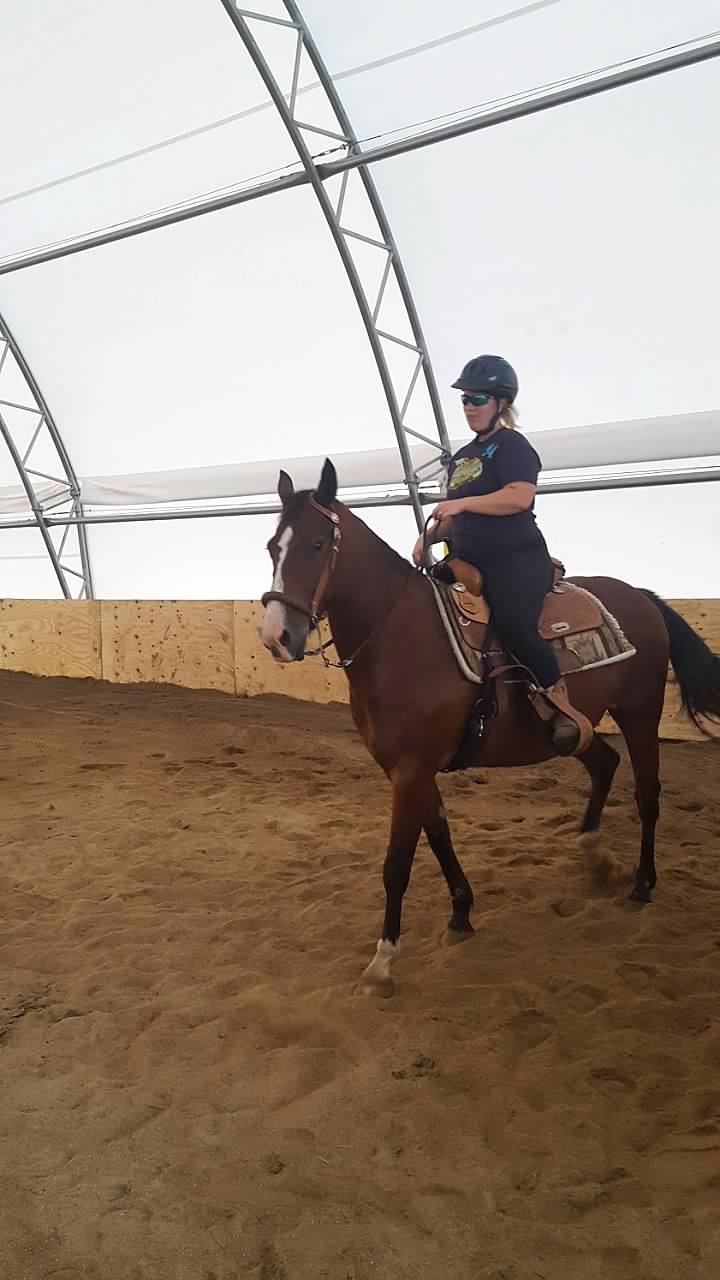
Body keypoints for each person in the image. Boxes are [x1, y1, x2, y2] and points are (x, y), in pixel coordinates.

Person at [412, 354, 593, 756]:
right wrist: (429, 537)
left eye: (478, 398)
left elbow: (517, 496)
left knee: (514, 624)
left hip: (515, 557)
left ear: (502, 404)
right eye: (464, 399)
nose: (469, 406)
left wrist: (460, 506)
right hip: (467, 557)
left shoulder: (512, 446)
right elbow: (455, 510)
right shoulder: (461, 459)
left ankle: (559, 705)